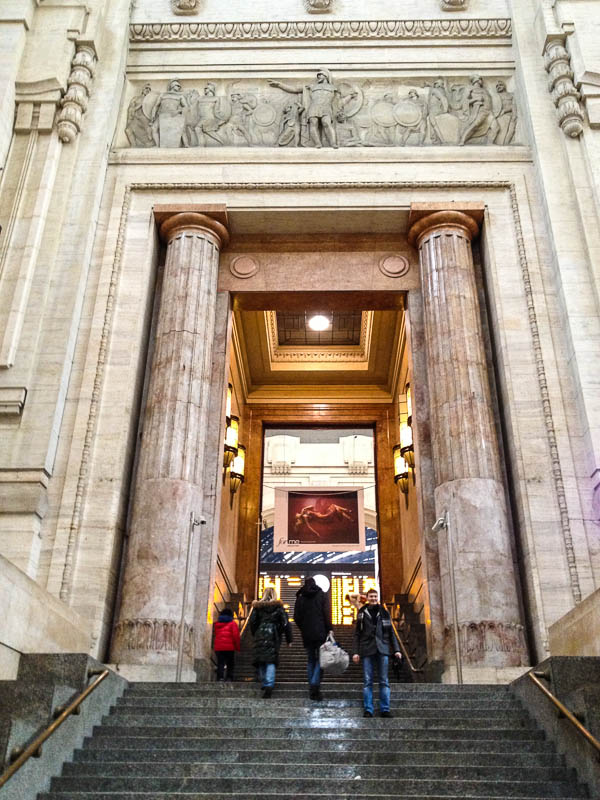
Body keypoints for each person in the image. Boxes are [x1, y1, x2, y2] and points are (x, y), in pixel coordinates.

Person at [352, 588, 402, 718]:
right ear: (367, 598)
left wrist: (396, 650)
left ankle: (385, 709)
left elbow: (391, 632)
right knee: (368, 680)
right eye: (371, 596)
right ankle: (369, 709)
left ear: (377, 597)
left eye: (375, 596)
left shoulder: (384, 613)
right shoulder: (362, 613)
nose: (373, 598)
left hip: (382, 649)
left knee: (384, 680)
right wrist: (355, 652)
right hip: (367, 649)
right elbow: (357, 634)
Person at [249, 587, 292, 697]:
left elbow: (252, 622)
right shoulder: (279, 607)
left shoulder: (257, 607)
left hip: (260, 632)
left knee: (261, 659)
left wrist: (256, 633)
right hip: (273, 634)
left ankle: (264, 681)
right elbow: (286, 623)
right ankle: (269, 683)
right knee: (271, 660)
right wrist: (288, 638)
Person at [294, 576, 331, 700]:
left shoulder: (300, 598)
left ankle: (312, 686)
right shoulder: (321, 595)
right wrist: (329, 628)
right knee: (320, 660)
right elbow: (326, 613)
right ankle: (315, 684)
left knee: (310, 660)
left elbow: (296, 617)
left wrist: (303, 627)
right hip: (320, 632)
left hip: (307, 633)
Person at [213, 607, 241, 681]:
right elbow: (236, 636)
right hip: (229, 648)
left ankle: (220, 678)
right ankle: (229, 677)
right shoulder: (233, 624)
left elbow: (216, 634)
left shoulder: (217, 624)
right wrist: (237, 647)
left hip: (219, 647)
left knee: (220, 663)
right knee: (230, 663)